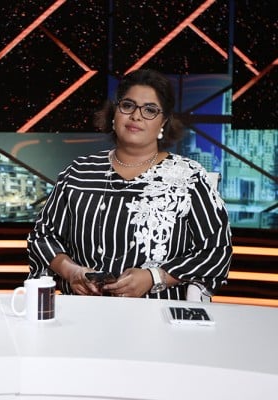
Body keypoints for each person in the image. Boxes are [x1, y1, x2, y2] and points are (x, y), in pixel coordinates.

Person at [27, 69, 232, 300]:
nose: (136, 116)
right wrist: (71, 271)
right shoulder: (78, 173)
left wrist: (154, 277)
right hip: (84, 308)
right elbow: (42, 236)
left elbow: (216, 251)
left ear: (164, 122)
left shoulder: (189, 177)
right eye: (128, 105)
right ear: (114, 114)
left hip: (157, 313)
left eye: (150, 110)